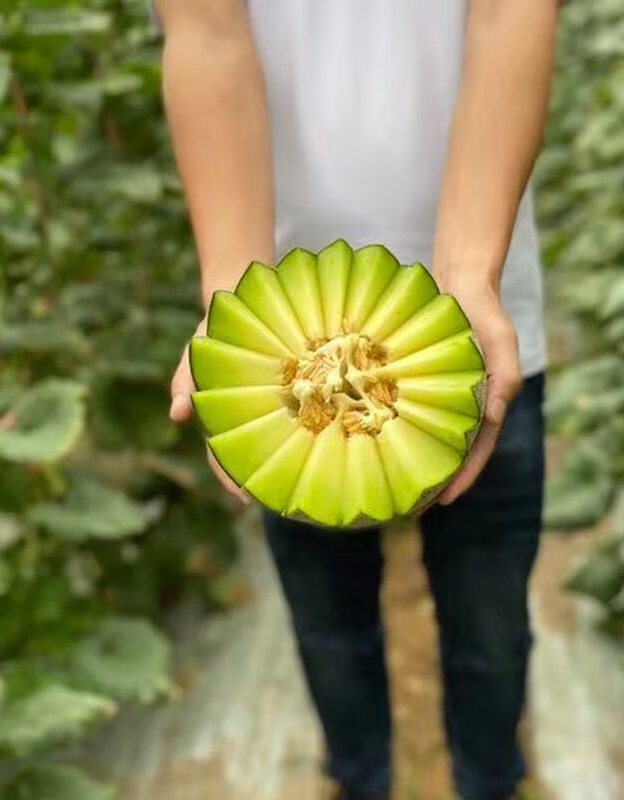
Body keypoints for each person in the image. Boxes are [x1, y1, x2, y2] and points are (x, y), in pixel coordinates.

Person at [156, 1, 558, 798]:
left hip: (484, 311)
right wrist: (231, 301)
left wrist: (469, 272)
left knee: (491, 633)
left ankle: (491, 780)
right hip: (275, 346)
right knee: (330, 632)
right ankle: (360, 779)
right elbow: (205, 34)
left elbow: (512, 13)